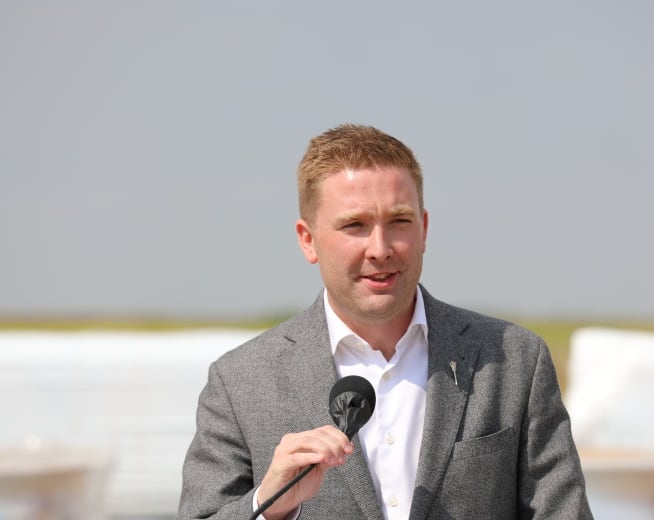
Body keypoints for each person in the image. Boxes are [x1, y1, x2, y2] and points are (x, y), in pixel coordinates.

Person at [177, 124, 593, 520]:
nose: (380, 248)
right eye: (355, 225)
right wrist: (270, 506)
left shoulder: (515, 361)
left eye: (399, 221)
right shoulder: (240, 383)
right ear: (308, 240)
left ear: (424, 228)